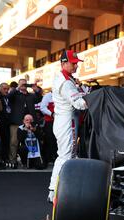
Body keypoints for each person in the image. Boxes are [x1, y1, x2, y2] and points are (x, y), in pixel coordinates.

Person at [47, 50, 88, 202]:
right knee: (65, 156)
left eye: (77, 63)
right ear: (63, 63)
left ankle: (60, 188)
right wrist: (92, 99)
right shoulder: (65, 82)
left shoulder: (68, 78)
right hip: (66, 120)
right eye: (73, 63)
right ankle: (53, 191)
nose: (76, 65)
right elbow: (80, 104)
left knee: (70, 155)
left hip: (65, 119)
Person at [7, 78, 42, 168]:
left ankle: (31, 161)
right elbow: (9, 97)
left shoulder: (30, 95)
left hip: (30, 122)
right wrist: (18, 88)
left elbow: (39, 98)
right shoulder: (15, 94)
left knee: (32, 141)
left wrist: (36, 89)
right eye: (22, 84)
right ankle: (12, 160)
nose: (23, 85)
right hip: (16, 122)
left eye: (25, 84)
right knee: (14, 142)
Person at [39, 91, 57, 163]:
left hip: (60, 121)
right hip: (50, 121)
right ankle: (49, 157)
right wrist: (51, 114)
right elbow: (42, 108)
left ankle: (55, 155)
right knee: (50, 139)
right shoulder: (47, 96)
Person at [0, 82, 12, 169]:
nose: (6, 90)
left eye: (7, 89)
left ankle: (5, 158)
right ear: (0, 89)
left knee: (6, 141)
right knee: (0, 142)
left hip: (7, 123)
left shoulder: (7, 97)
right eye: (4, 89)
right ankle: (0, 160)